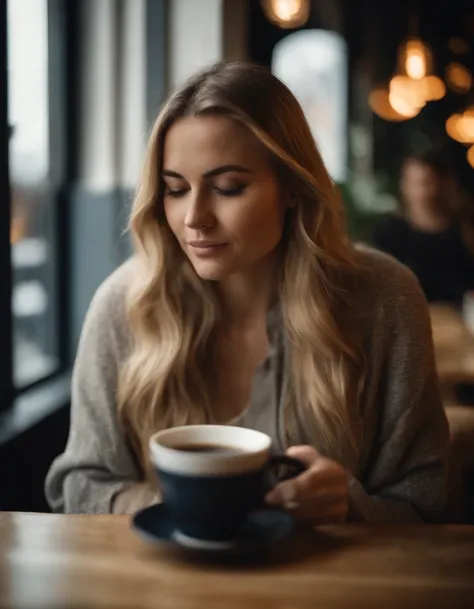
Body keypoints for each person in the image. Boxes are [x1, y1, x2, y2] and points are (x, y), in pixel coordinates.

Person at [45, 62, 449, 523]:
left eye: (228, 188)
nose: (194, 217)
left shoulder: (384, 298)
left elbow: (427, 499)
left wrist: (349, 505)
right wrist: (175, 508)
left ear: (293, 188)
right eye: (175, 189)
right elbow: (80, 485)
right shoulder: (124, 304)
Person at [372, 153, 474, 306]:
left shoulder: (465, 229)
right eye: (415, 183)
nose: (421, 191)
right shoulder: (389, 233)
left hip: (458, 319)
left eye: (427, 182)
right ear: (404, 185)